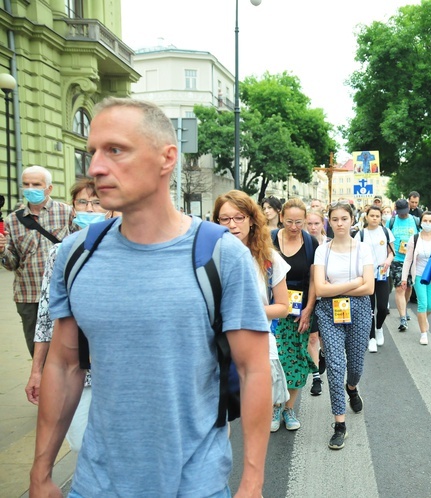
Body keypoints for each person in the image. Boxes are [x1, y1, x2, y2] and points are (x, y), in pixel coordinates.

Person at [30, 98, 272, 497]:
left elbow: (253, 370)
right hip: (97, 483)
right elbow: (65, 364)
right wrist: (41, 474)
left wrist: (252, 482)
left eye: (116, 150)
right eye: (93, 152)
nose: (95, 168)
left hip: (194, 483)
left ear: (166, 158)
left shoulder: (221, 255)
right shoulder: (75, 255)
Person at [24, 178, 109, 452]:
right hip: (77, 369)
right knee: (81, 443)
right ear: (73, 207)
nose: (90, 208)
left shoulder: (125, 250)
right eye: (83, 202)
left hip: (117, 370)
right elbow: (47, 317)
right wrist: (37, 370)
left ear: (109, 208)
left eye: (96, 202)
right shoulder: (60, 253)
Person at [214, 190, 291, 433]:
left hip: (256, 343)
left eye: (239, 217)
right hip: (217, 344)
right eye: (225, 219)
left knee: (254, 417)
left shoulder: (269, 259)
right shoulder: (209, 257)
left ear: (251, 219)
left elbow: (283, 307)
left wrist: (247, 312)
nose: (232, 225)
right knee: (218, 418)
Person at [313, 201, 374, 450]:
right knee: (336, 366)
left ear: (352, 220)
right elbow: (319, 288)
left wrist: (333, 288)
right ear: (330, 221)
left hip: (359, 310)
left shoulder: (363, 249)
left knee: (355, 365)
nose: (339, 223)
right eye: (335, 219)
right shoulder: (322, 251)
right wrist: (354, 282)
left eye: (344, 219)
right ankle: (339, 424)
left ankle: (352, 387)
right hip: (329, 312)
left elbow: (369, 287)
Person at [0, 165, 74, 357]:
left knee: (66, 351)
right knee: (38, 355)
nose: (30, 188)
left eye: (36, 184)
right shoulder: (12, 221)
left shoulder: (67, 213)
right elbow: (12, 263)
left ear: (48, 188)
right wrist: (2, 251)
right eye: (26, 184)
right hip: (29, 296)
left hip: (62, 294)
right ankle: (40, 384)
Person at [271, 198, 319, 429]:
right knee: (274, 360)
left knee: (297, 359)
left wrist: (309, 310)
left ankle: (289, 408)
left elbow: (314, 280)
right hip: (272, 309)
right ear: (281, 217)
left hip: (299, 311)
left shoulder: (310, 243)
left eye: (299, 222)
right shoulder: (269, 239)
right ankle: (274, 406)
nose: (293, 227)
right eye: (289, 221)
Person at [358, 205, 395, 352]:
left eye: (377, 216)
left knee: (382, 307)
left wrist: (387, 261)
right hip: (366, 277)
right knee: (369, 309)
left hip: (382, 275)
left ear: (381, 218)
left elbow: (391, 252)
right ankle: (371, 337)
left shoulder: (386, 232)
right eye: (372, 215)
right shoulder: (360, 234)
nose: (374, 218)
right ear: (366, 217)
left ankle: (379, 328)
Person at [401, 211, 431, 346]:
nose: (427, 223)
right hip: (419, 275)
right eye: (425, 221)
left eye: (430, 221)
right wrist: (404, 278)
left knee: (430, 305)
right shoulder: (414, 239)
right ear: (421, 222)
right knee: (422, 303)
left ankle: (423, 319)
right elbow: (408, 260)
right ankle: (423, 333)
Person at [304, 208, 327, 395]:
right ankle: (316, 378)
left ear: (323, 224)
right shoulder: (302, 243)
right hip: (308, 296)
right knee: (312, 338)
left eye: (316, 223)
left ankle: (324, 353)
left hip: (327, 297)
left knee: (324, 339)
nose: (312, 227)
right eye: (309, 223)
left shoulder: (329, 245)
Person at [389, 198, 420, 331]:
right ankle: (402, 318)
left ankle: (404, 307)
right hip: (397, 259)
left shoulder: (414, 220)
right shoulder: (392, 221)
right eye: (400, 212)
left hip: (412, 260)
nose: (402, 214)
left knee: (408, 287)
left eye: (404, 212)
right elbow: (387, 237)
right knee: (400, 288)